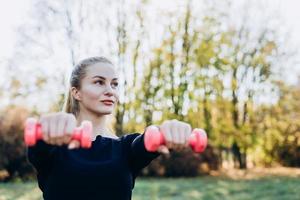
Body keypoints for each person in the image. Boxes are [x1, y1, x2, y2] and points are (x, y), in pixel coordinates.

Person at [27, 56, 193, 200]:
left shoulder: (126, 148)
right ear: (76, 92)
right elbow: (40, 146)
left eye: (114, 85)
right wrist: (49, 127)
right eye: (99, 82)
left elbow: (145, 141)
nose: (110, 91)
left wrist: (164, 131)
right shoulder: (51, 145)